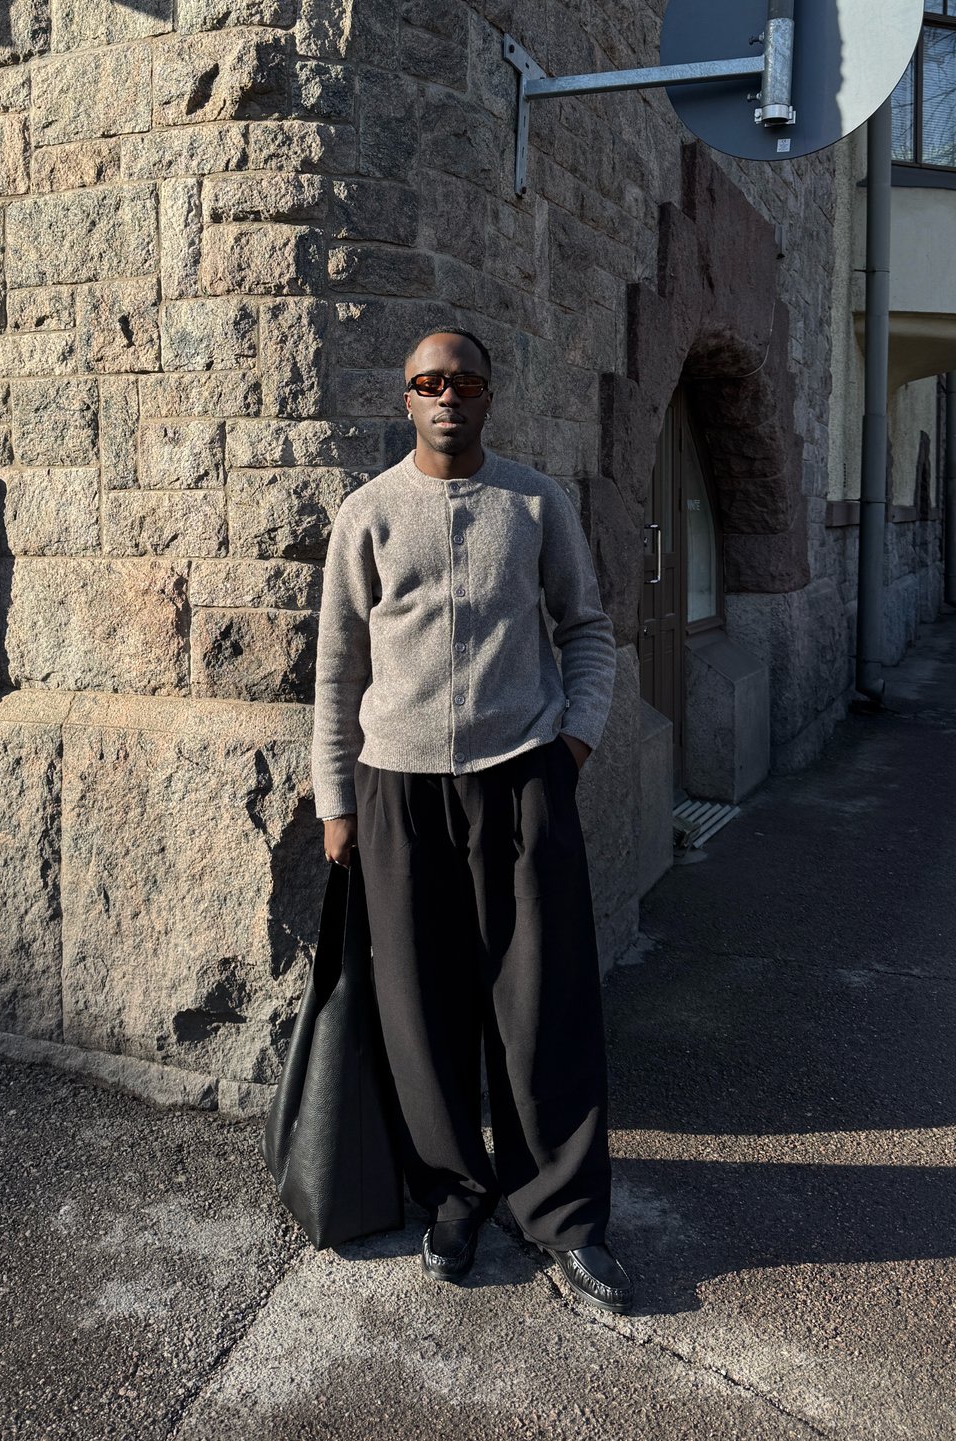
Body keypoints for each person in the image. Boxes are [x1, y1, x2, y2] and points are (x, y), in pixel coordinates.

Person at [311, 329, 633, 1315]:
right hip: (396, 791)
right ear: (406, 398)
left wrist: (571, 744)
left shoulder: (536, 505)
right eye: (428, 382)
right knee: (420, 1008)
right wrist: (334, 798)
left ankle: (563, 1214)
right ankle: (452, 1195)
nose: (446, 395)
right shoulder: (366, 515)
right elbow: (337, 670)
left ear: (489, 396)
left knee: (544, 1005)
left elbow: (587, 630)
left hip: (520, 782)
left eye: (464, 381)